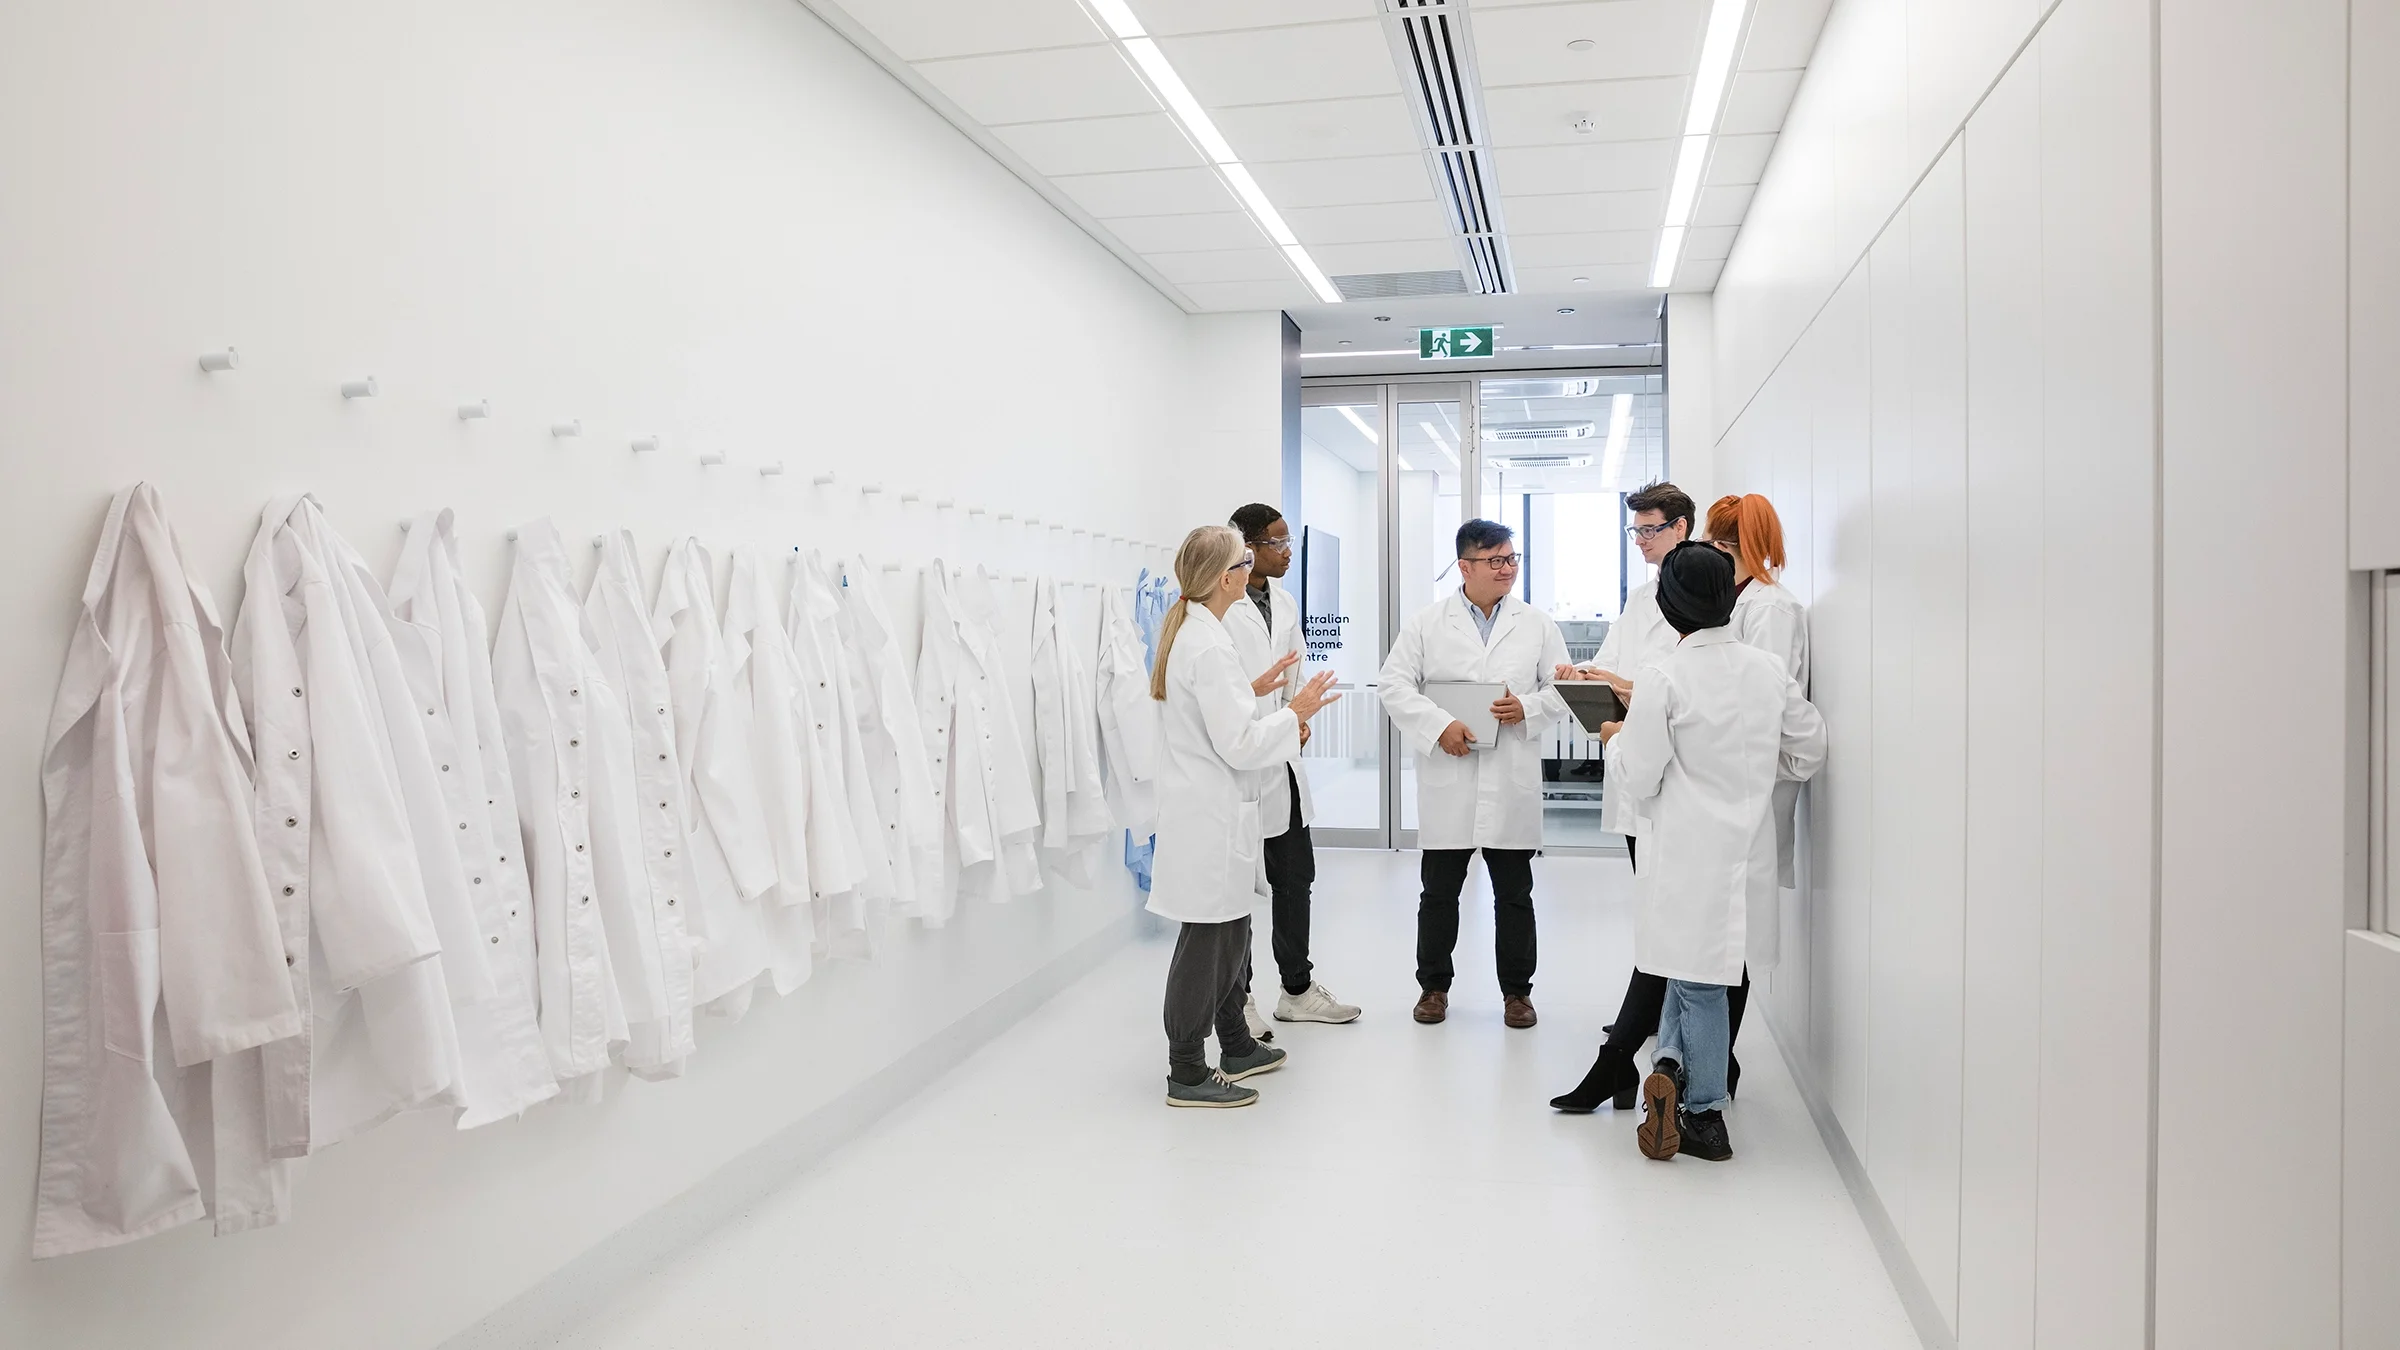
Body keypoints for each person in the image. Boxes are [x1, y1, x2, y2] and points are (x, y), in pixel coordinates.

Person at [1549, 488, 1799, 1113]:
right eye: (1633, 532)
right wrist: (1606, 683)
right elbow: (1791, 733)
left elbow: (1705, 714)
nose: (1640, 541)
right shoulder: (1671, 604)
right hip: (1686, 804)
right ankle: (1682, 1070)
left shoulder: (1760, 611)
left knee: (1691, 954)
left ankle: (1645, 1068)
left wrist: (1627, 723)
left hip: (1695, 806)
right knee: (1685, 952)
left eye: (1649, 530)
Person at [1598, 542, 1826, 1161]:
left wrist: (1615, 738)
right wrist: (1750, 768)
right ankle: (1668, 1068)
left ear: (1669, 608)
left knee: (1695, 980)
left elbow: (1640, 775)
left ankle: (1704, 1116)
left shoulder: (1664, 676)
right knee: (1701, 970)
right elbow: (1808, 750)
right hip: (1747, 849)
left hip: (1686, 854)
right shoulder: (1764, 669)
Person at [1147, 525, 1342, 1108]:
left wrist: (1254, 689)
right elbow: (1239, 744)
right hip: (1209, 816)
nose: (1251, 567)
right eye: (1246, 560)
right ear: (1227, 576)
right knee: (1208, 943)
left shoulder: (1202, 633)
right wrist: (1294, 712)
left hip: (1217, 813)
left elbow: (1220, 712)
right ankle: (1186, 1070)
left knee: (1233, 931)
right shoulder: (1205, 642)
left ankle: (1236, 1044)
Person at [1379, 519, 1570, 1030]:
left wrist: (1525, 707)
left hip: (1510, 776)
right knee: (1439, 892)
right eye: (1496, 561)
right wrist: (1438, 725)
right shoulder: (1426, 623)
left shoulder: (1537, 624)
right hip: (1451, 773)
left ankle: (1517, 994)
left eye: (1512, 559)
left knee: (1514, 893)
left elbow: (1562, 688)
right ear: (1465, 567)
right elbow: (1393, 685)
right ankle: (1433, 988)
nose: (1508, 569)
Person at [1225, 504, 1360, 1038]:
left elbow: (1292, 675)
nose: (1288, 552)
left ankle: (1298, 992)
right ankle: (1240, 1001)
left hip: (1282, 762)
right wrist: (1280, 719)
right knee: (1237, 892)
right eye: (1280, 543)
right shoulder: (1213, 608)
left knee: (1295, 881)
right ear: (1249, 548)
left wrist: (1296, 722)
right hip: (1238, 764)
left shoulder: (1282, 600)